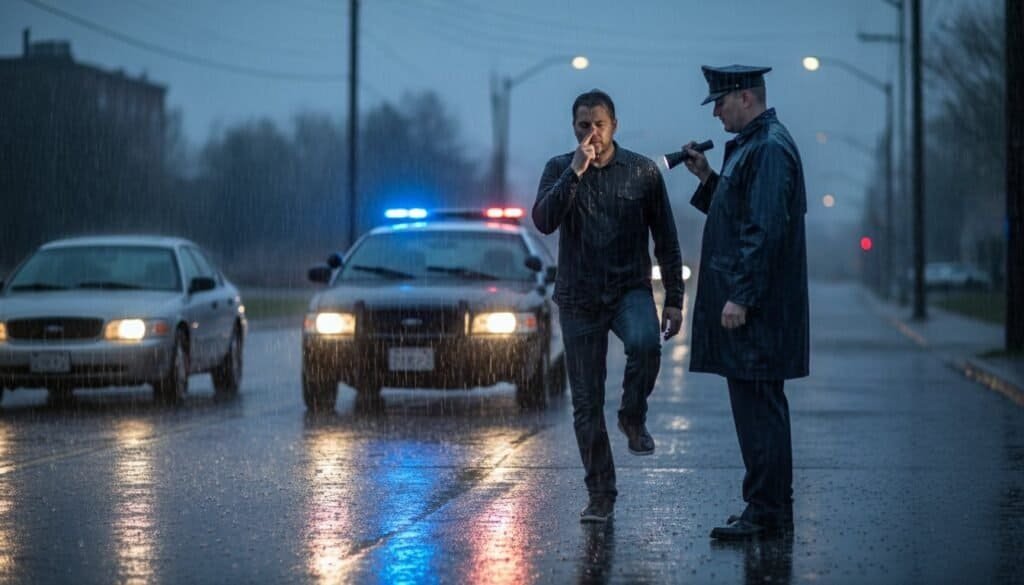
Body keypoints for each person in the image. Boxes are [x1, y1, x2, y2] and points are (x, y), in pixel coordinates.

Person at [533, 89, 685, 524]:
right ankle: (601, 493)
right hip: (579, 299)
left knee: (645, 343)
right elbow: (543, 220)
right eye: (584, 125)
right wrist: (574, 176)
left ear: (614, 125)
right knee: (585, 403)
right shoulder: (559, 168)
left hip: (628, 290)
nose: (592, 133)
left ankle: (633, 417)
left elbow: (667, 240)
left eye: (599, 124)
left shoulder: (640, 172)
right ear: (574, 128)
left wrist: (674, 298)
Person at [680, 65, 809, 540]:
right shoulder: (755, 147)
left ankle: (769, 512)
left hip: (761, 313)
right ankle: (765, 507)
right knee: (756, 410)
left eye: (721, 102)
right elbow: (740, 213)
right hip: (759, 309)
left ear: (747, 98)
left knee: (760, 412)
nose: (715, 111)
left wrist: (742, 296)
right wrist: (708, 176)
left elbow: (764, 229)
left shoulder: (769, 148)